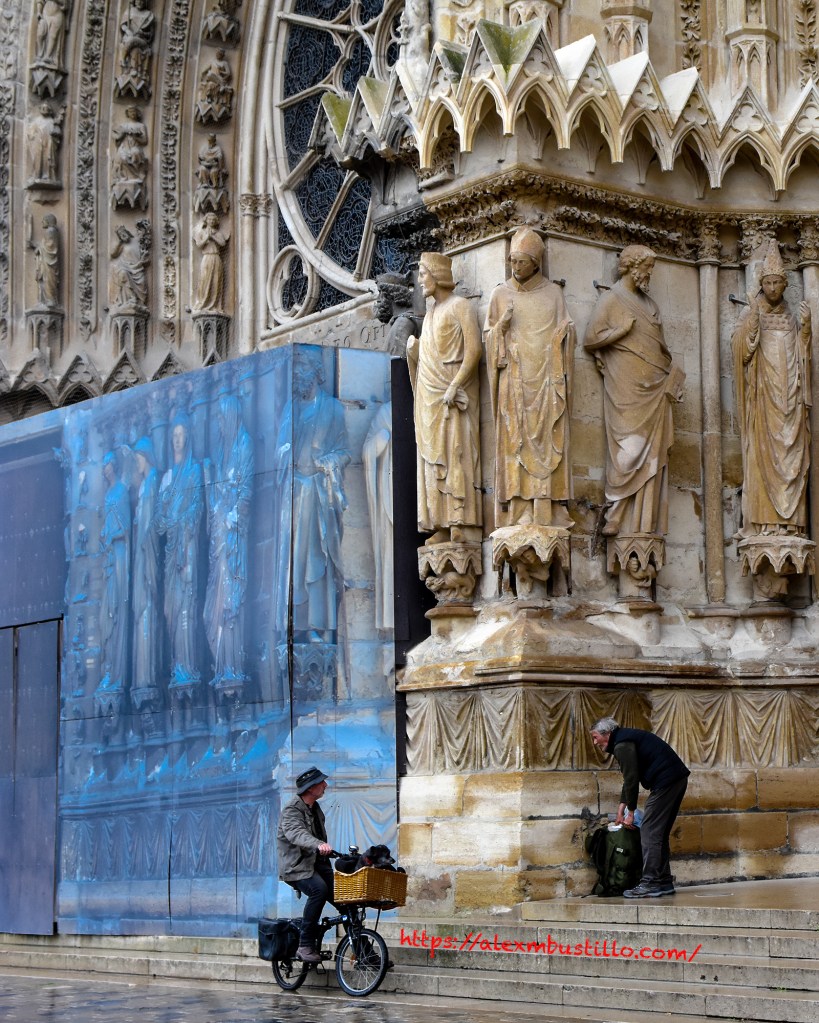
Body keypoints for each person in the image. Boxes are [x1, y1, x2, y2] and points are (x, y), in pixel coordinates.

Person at [583, 245, 683, 537]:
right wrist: (620, 331)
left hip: (655, 386)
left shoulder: (651, 305)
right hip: (625, 386)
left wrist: (671, 378)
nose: (649, 274)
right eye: (646, 268)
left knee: (652, 452)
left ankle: (644, 519)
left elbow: (661, 348)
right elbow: (591, 339)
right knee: (628, 449)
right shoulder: (611, 299)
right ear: (631, 267)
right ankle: (617, 512)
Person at [484, 226, 575, 528]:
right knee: (514, 441)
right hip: (515, 381)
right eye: (512, 260)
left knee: (549, 438)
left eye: (521, 261)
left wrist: (564, 338)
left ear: (536, 262)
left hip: (547, 380)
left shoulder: (553, 294)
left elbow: (566, 333)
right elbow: (489, 337)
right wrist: (500, 329)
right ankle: (518, 507)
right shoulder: (500, 294)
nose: (515, 266)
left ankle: (546, 506)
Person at [731, 239, 811, 537]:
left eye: (779, 282)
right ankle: (762, 524)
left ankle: (791, 527)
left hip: (790, 403)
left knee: (795, 455)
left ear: (786, 284)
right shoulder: (752, 313)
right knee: (761, 457)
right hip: (763, 403)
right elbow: (741, 351)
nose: (774, 287)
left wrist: (805, 330)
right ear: (761, 284)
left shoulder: (791, 317)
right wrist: (752, 321)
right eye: (769, 282)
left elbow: (803, 359)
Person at [406, 252, 482, 543]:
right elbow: (429, 352)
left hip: (452, 392)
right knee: (431, 459)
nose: (420, 280)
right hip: (430, 398)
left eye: (423, 274)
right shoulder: (430, 315)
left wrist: (456, 384)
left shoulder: (460, 306)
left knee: (456, 453)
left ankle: (460, 520)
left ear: (437, 275)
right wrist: (415, 349)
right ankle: (439, 523)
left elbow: (474, 350)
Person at [590, 717, 689, 898]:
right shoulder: (623, 740)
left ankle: (651, 882)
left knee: (649, 831)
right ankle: (663, 881)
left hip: (666, 781)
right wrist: (622, 808)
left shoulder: (622, 745)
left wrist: (632, 812)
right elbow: (629, 778)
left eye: (596, 737)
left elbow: (632, 780)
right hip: (674, 778)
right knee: (658, 833)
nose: (595, 742)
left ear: (607, 734)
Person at [276, 766, 334, 963]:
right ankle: (305, 945)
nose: (325, 785)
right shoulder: (292, 810)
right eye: (321, 783)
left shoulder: (315, 808)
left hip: (317, 864)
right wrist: (319, 845)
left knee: (345, 900)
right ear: (310, 788)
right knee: (319, 890)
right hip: (297, 867)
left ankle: (363, 950)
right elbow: (296, 834)